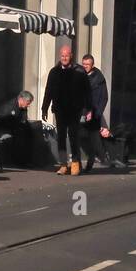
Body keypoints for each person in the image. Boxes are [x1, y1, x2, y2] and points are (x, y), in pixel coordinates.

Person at [42, 45, 90, 175]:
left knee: (74, 136)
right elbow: (48, 91)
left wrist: (88, 109)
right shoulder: (54, 72)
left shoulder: (79, 71)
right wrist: (44, 108)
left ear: (71, 56)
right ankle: (63, 164)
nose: (64, 58)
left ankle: (75, 163)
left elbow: (87, 91)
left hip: (75, 109)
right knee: (61, 136)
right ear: (60, 56)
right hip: (59, 109)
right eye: (62, 56)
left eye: (66, 55)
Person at [79, 54, 114, 170]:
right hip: (81, 112)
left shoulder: (98, 78)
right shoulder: (79, 75)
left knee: (93, 138)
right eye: (83, 64)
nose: (85, 67)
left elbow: (104, 98)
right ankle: (87, 158)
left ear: (92, 65)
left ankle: (100, 159)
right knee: (80, 136)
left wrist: (96, 113)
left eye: (87, 65)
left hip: (93, 114)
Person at [0, 90, 36, 168]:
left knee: (30, 133)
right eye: (28, 103)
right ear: (21, 99)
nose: (28, 105)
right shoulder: (10, 106)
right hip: (5, 128)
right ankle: (19, 161)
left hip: (16, 127)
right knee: (20, 136)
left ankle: (27, 160)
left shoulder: (23, 108)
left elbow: (24, 119)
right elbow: (5, 120)